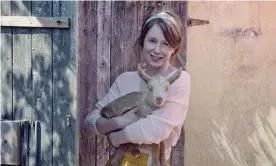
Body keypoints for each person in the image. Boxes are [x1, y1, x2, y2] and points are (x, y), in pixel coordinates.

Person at [84, 11, 191, 166]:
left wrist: (116, 137)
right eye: (152, 41)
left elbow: (156, 130)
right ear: (143, 41)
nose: (157, 50)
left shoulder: (179, 80)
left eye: (166, 43)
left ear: (174, 48)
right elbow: (89, 125)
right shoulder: (125, 80)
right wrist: (118, 121)